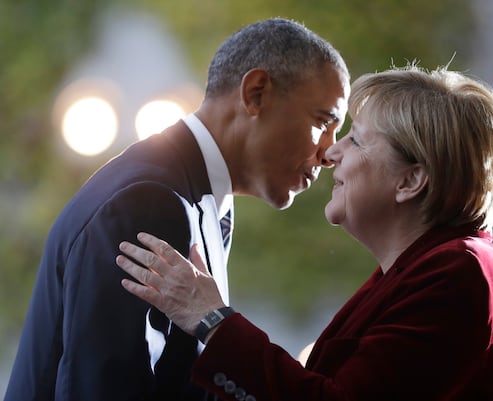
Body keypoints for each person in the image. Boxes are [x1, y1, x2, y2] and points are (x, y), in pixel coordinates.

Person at [115, 64, 493, 401]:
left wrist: (212, 319)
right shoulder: (428, 270)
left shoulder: (457, 275)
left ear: (411, 181)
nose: (332, 153)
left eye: (357, 140)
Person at [5, 18, 349, 401]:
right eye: (323, 122)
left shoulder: (198, 197)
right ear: (256, 93)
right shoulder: (149, 199)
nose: (330, 152)